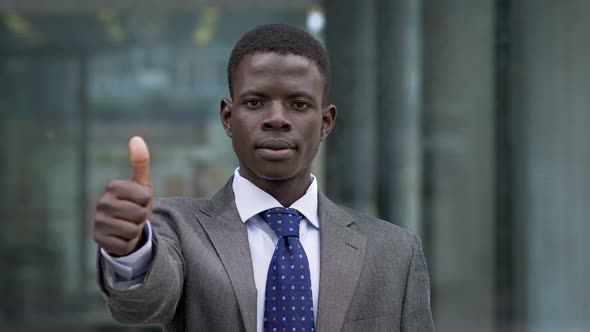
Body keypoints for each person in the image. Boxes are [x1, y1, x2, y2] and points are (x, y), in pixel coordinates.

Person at [94, 24, 434, 332]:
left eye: (299, 105)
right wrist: (130, 251)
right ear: (228, 118)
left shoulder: (395, 253)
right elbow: (140, 305)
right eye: (255, 102)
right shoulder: (177, 230)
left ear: (325, 123)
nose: (276, 119)